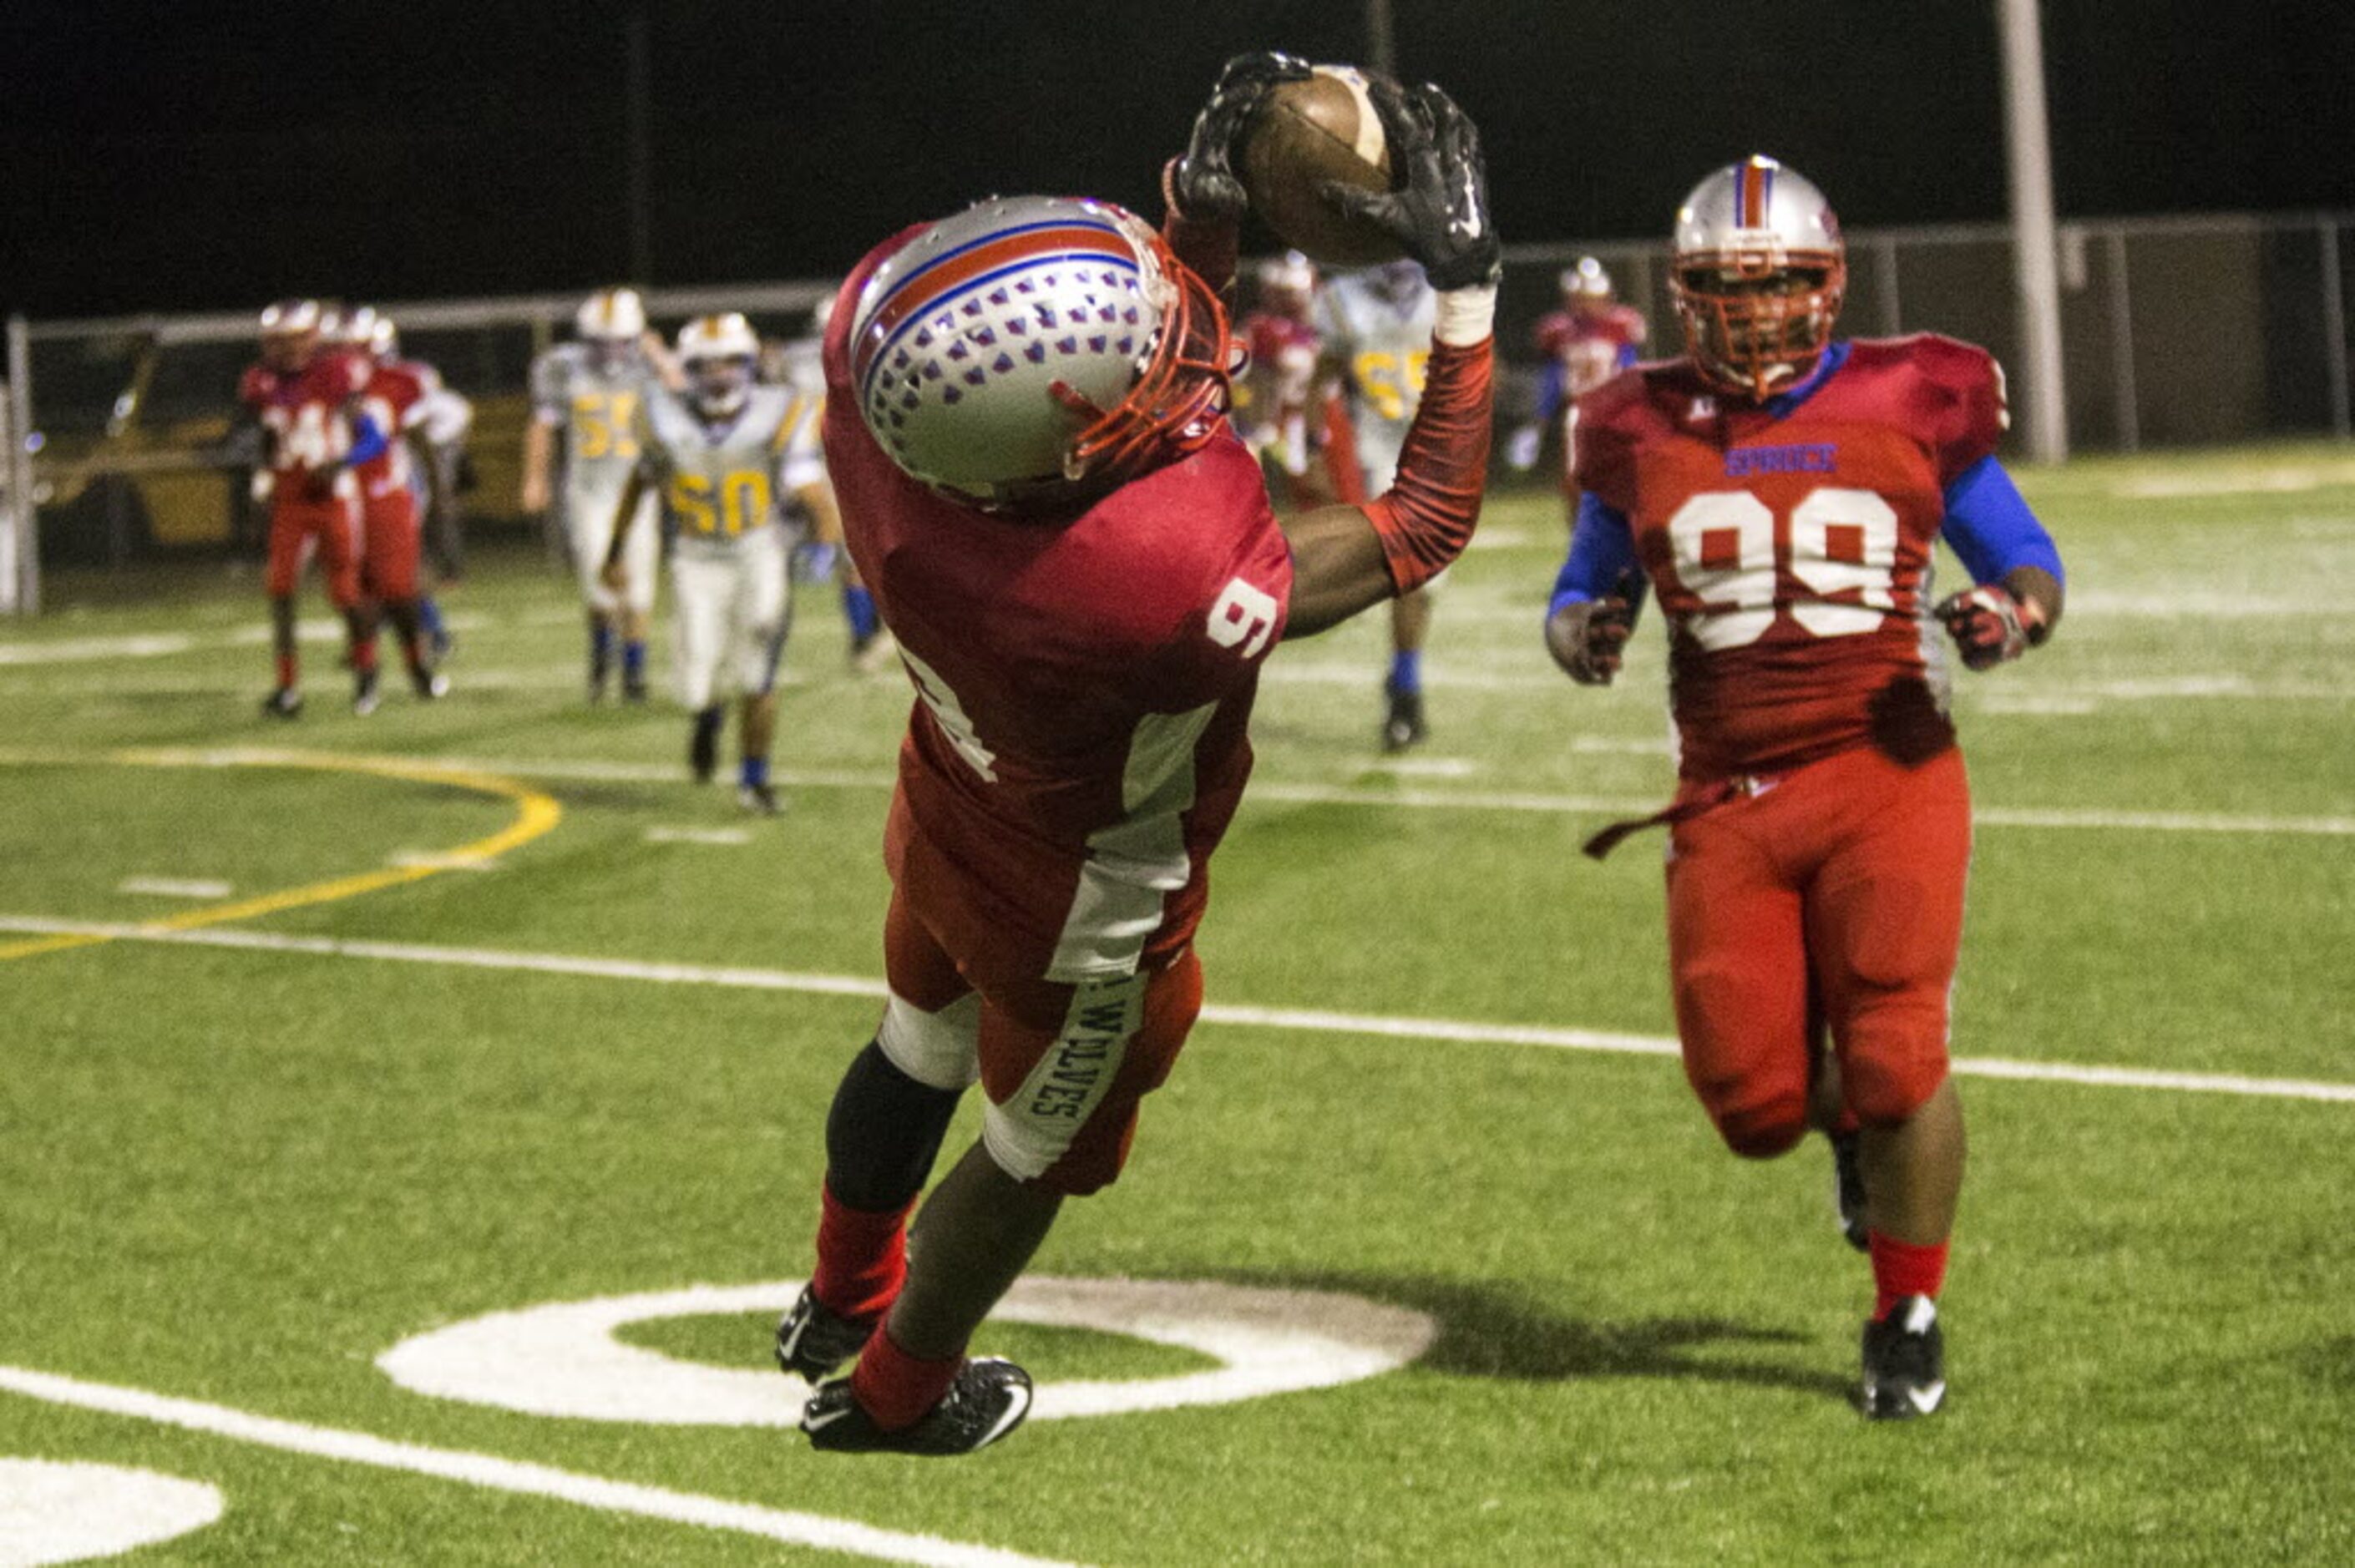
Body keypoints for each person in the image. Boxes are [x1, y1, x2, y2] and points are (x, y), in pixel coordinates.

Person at [777, 53, 1500, 1457]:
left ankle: (837, 1289)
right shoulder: (1153, 576)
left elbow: (1105, 395)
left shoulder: (882, 375)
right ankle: (897, 1392)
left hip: (949, 797)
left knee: (916, 1032)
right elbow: (1419, 525)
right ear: (1065, 438)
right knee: (1033, 1145)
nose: (1186, 337)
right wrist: (1465, 292)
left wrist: (1198, 210)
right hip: (1083, 903)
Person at [1541, 154, 2066, 1421]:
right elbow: (1581, 584)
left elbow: (2027, 558)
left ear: (1826, 285)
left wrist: (2006, 612)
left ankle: (1907, 1310)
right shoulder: (1635, 421)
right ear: (1685, 295)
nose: (1756, 308)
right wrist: (1581, 629)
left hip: (1886, 772)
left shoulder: (1913, 393)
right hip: (1724, 796)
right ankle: (1851, 1144)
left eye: (1779, 282)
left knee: (1895, 1055)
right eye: (1726, 285)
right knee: (1755, 1104)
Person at [603, 312, 838, 814]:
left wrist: (825, 539)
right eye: (706, 365)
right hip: (696, 558)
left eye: (731, 362)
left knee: (759, 670)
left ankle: (755, 779)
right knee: (696, 683)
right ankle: (708, 716)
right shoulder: (660, 416)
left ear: (750, 364)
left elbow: (807, 483)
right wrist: (615, 550)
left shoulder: (779, 411)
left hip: (759, 550)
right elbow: (639, 483)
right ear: (687, 369)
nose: (719, 375)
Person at [241, 297, 387, 717]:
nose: (285, 350)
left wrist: (341, 463)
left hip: (332, 495)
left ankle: (366, 669)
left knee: (344, 592)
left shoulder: (336, 373)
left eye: (293, 340)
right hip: (289, 497)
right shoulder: (259, 381)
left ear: (312, 339)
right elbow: (265, 440)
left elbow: (374, 438)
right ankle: (287, 688)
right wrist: (262, 481)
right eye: (277, 341)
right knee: (280, 590)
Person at [1314, 259, 1440, 751]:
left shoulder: (1448, 291)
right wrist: (1311, 444)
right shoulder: (1342, 298)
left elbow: (1484, 368)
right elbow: (1319, 380)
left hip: (1439, 447)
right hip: (1381, 451)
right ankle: (1406, 694)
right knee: (1411, 574)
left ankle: (1402, 681)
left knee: (1425, 585)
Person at [524, 286, 666, 703]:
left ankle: (634, 673)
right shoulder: (562, 368)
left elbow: (683, 396)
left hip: (638, 492)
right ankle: (603, 656)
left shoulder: (651, 366)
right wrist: (535, 478)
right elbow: (542, 424)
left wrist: (659, 357)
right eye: (599, 343)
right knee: (599, 588)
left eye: (620, 341)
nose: (610, 352)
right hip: (589, 492)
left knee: (639, 588)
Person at [329, 306, 448, 711]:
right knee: (353, 595)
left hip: (384, 496)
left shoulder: (398, 384)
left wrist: (437, 495)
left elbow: (402, 441)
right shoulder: (324, 386)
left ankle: (418, 667)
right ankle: (366, 677)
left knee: (398, 591)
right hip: (341, 500)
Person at [771, 285, 889, 672]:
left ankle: (869, 631)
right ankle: (863, 637)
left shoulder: (862, 360)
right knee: (849, 554)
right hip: (820, 461)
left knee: (861, 555)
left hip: (856, 460)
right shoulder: (809, 365)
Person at [1517, 255, 1647, 525]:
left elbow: (1628, 369)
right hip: (1577, 411)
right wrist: (1539, 419)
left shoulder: (1620, 326)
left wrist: (1635, 408)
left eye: (1594, 297)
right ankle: (1580, 533)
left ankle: (1624, 528)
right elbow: (1553, 378)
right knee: (1573, 479)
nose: (1588, 304)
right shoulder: (1560, 331)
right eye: (1582, 297)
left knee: (1623, 474)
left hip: (1612, 411)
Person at [1233, 250, 1337, 508]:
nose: (1295, 300)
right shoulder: (1262, 327)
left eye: (1295, 293)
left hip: (1319, 416)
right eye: (1286, 293)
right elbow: (1239, 375)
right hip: (1276, 419)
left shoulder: (1324, 325)